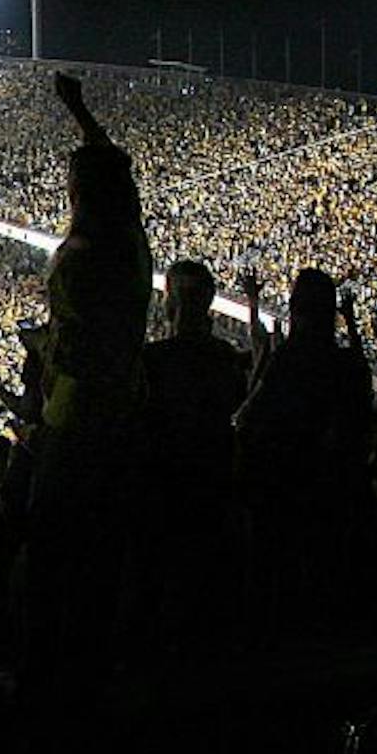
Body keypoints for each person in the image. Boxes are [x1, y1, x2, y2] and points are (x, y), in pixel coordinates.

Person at [21, 73, 152, 708]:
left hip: (76, 415)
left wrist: (39, 351)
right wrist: (80, 113)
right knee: (105, 551)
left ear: (81, 195)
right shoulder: (132, 245)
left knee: (55, 546)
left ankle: (51, 678)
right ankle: (100, 667)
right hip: (124, 408)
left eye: (73, 185)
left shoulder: (79, 260)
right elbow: (114, 173)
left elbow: (69, 346)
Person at [236, 269, 374, 643]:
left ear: (297, 310)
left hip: (283, 486)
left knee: (275, 576)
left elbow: (254, 413)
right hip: (329, 494)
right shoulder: (345, 366)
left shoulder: (289, 360)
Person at [132, 260, 249, 652]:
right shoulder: (227, 360)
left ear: (171, 303)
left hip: (162, 502)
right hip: (211, 499)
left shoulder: (153, 361)